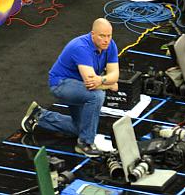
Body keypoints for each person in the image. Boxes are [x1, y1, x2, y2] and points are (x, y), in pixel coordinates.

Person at [21, 18, 118, 157]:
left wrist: (103, 80)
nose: (106, 40)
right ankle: (84, 143)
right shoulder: (81, 47)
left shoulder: (110, 45)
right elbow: (92, 83)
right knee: (97, 96)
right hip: (61, 84)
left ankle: (40, 116)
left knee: (81, 128)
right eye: (102, 36)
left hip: (79, 86)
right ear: (93, 34)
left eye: (109, 36)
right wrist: (109, 84)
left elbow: (115, 75)